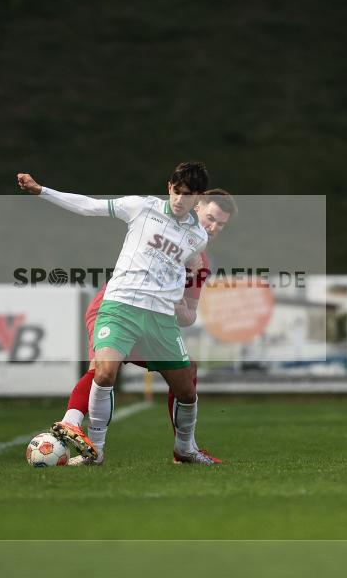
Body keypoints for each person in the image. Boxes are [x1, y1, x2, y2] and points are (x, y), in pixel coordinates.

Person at [17, 162, 215, 465]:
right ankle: (95, 450)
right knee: (105, 371)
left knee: (186, 390)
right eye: (176, 191)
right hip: (120, 305)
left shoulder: (197, 237)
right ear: (169, 187)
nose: (179, 199)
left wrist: (183, 288)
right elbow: (88, 206)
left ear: (197, 198)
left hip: (160, 317)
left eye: (188, 195)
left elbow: (177, 272)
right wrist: (41, 190)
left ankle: (185, 448)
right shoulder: (140, 207)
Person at [52, 189, 237, 465]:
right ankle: (72, 424)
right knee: (103, 369)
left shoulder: (202, 261)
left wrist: (174, 305)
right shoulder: (159, 224)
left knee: (187, 372)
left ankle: (184, 449)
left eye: (221, 224)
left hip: (152, 321)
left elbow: (189, 315)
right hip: (114, 309)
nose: (213, 227)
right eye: (210, 218)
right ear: (195, 208)